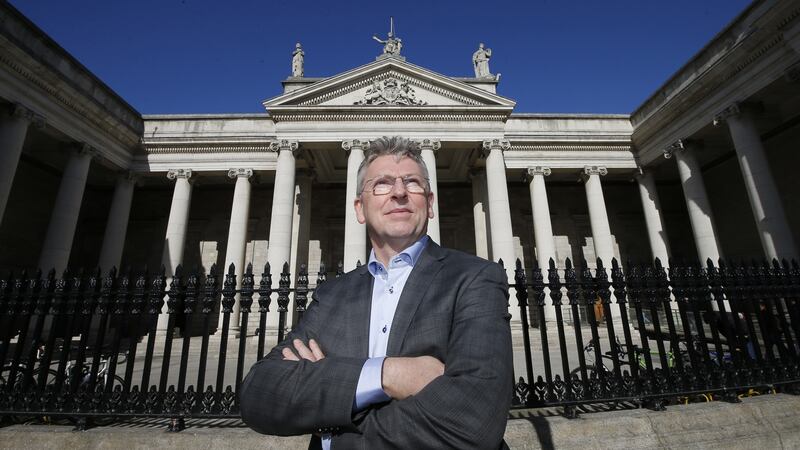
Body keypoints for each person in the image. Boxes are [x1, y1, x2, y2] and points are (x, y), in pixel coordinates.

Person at [239, 136, 513, 449]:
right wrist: (386, 374)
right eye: (382, 183)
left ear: (430, 203)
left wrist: (332, 425)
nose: (399, 192)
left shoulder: (475, 278)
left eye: (412, 182)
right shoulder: (332, 294)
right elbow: (259, 394)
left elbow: (474, 420)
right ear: (360, 208)